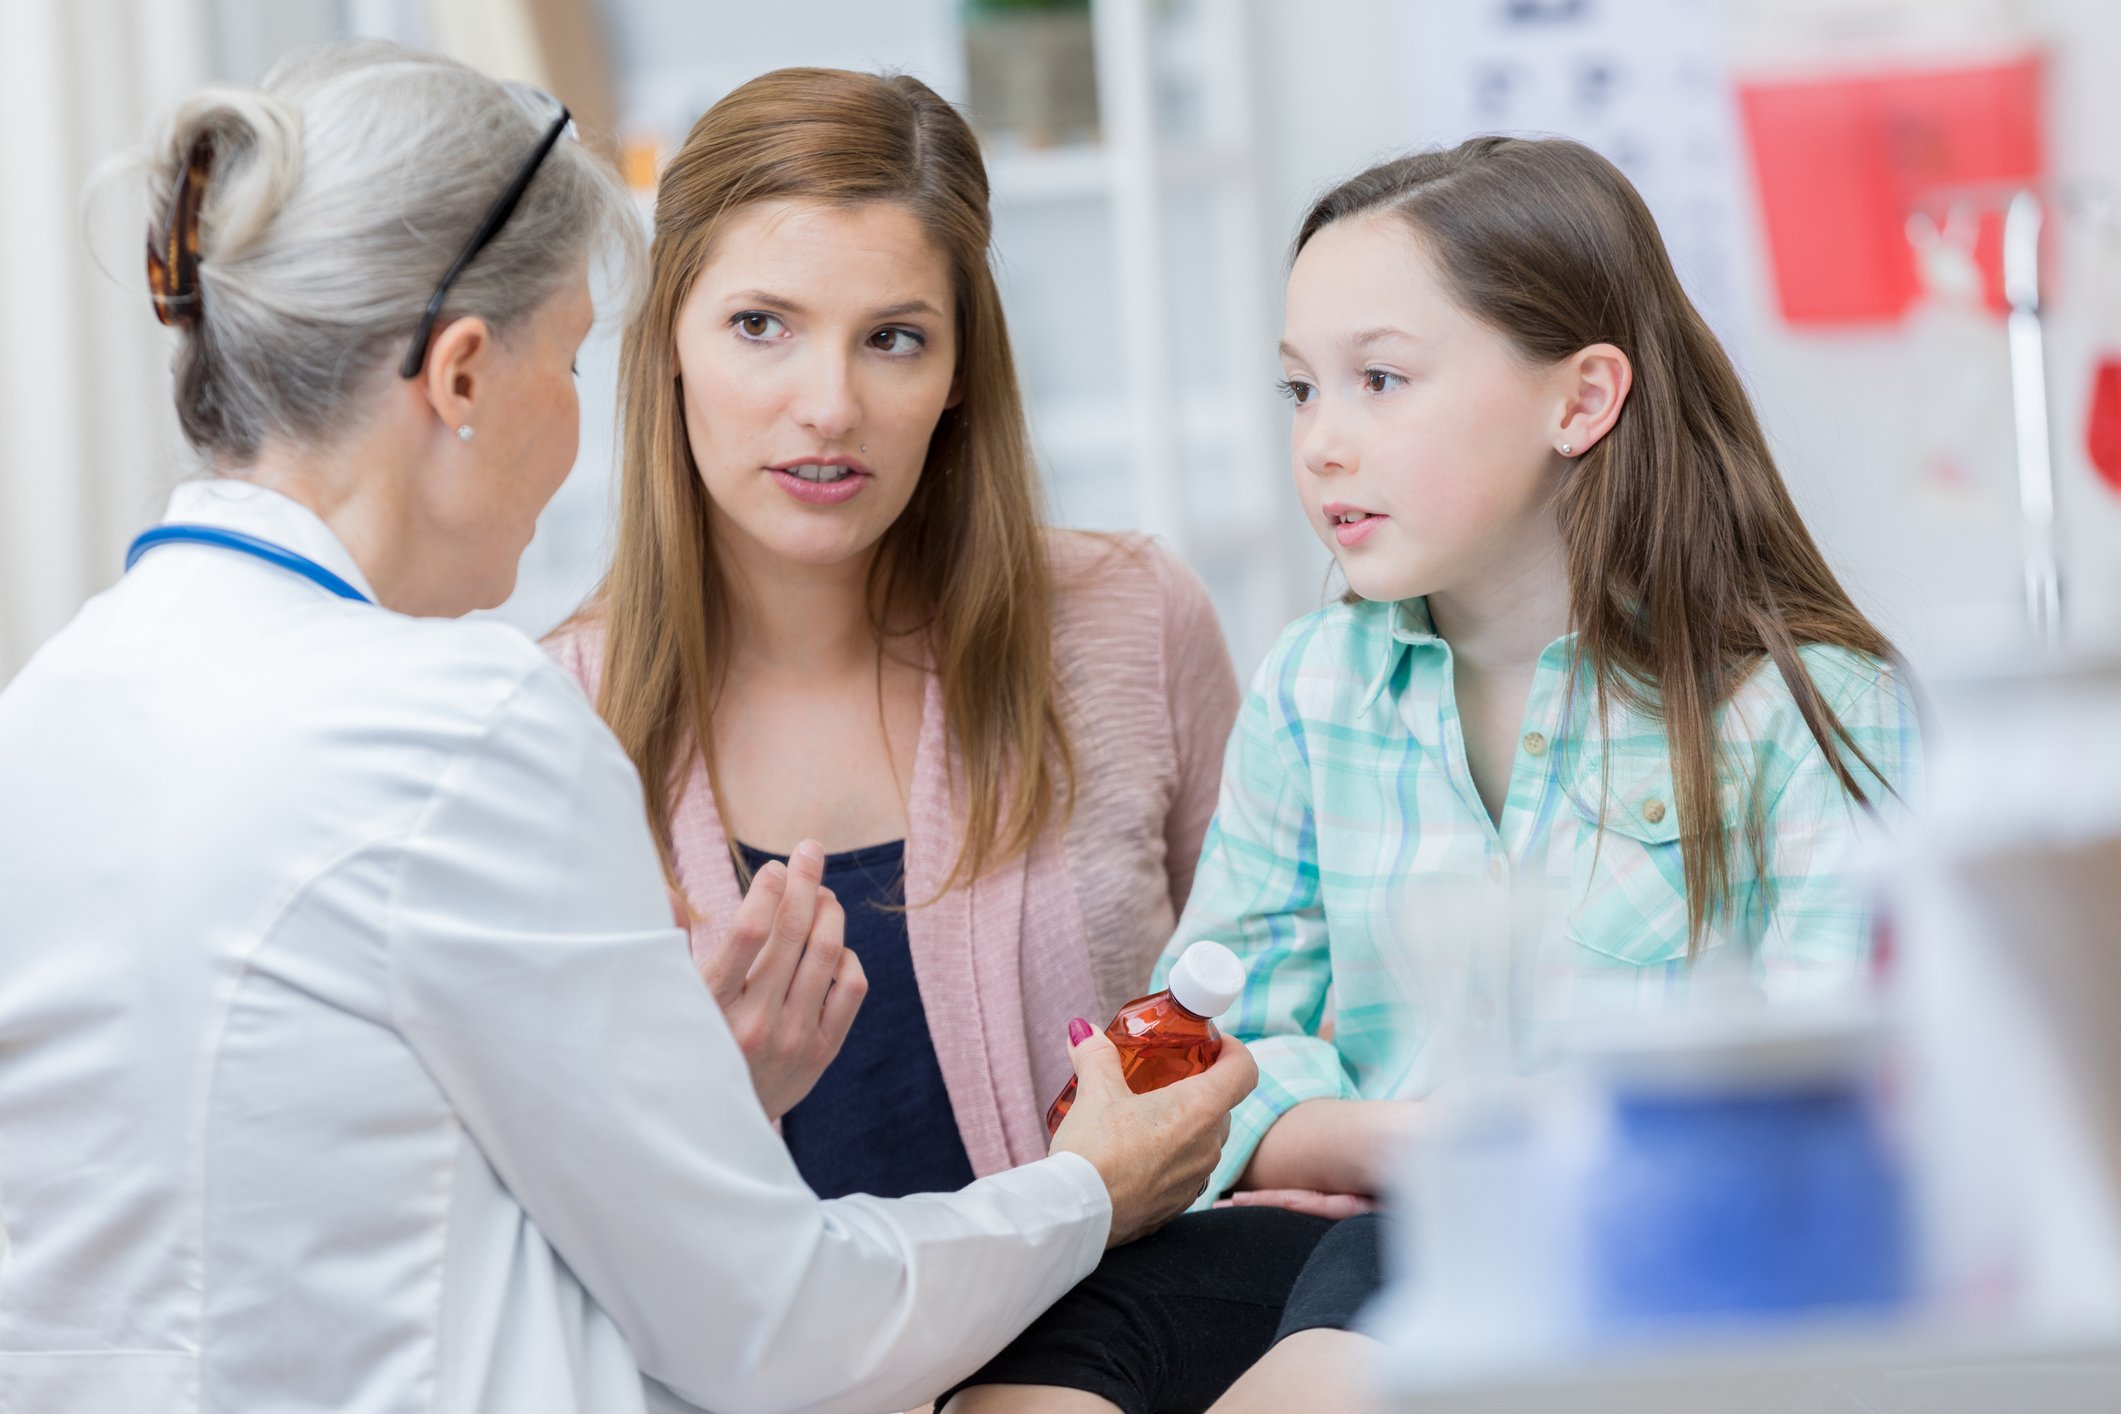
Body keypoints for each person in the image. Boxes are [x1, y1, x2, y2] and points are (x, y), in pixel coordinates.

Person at [0, 41, 1253, 1414]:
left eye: (894, 333)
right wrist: (1089, 1188)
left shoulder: (57, 703)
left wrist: (701, 1106)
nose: (823, 401)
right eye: (574, 355)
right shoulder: (472, 723)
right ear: (466, 376)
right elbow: (768, 1323)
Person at [943, 136, 1921, 1414]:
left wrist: (1467, 1145)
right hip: (1368, 1221)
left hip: (1655, 1279)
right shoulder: (1315, 686)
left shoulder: (1812, 710)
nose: (1323, 444)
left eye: (1381, 380)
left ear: (1581, 401)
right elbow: (1200, 1071)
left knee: (1363, 1314)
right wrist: (1414, 1138)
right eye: (1301, 391)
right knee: (1033, 1352)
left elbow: (1827, 1104)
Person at [547, 67, 1242, 1197]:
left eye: (894, 339)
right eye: (761, 325)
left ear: (963, 368)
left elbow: (1284, 1029)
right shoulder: (549, 723)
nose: (828, 404)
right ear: (667, 343)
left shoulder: (1134, 621)